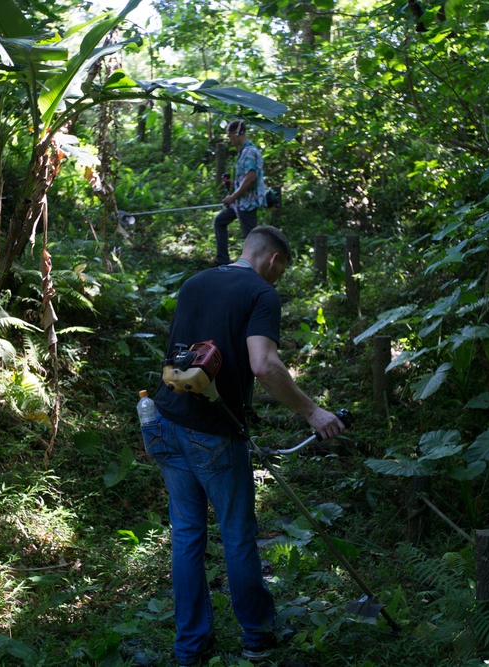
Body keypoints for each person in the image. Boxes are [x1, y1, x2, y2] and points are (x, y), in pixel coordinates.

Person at [140, 226, 346, 666]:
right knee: (236, 534)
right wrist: (313, 413)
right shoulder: (260, 293)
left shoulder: (195, 282)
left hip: (164, 420)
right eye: (281, 272)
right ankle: (257, 637)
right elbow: (264, 364)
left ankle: (190, 649)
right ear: (273, 261)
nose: (277, 281)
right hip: (212, 433)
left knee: (188, 536)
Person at [214, 119, 267, 266]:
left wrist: (232, 197)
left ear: (239, 133)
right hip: (239, 202)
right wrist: (232, 184)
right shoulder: (244, 151)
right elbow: (245, 179)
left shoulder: (250, 152)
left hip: (247, 204)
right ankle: (223, 262)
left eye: (230, 136)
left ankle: (260, 268)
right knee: (220, 221)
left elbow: (250, 178)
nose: (230, 140)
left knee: (251, 239)